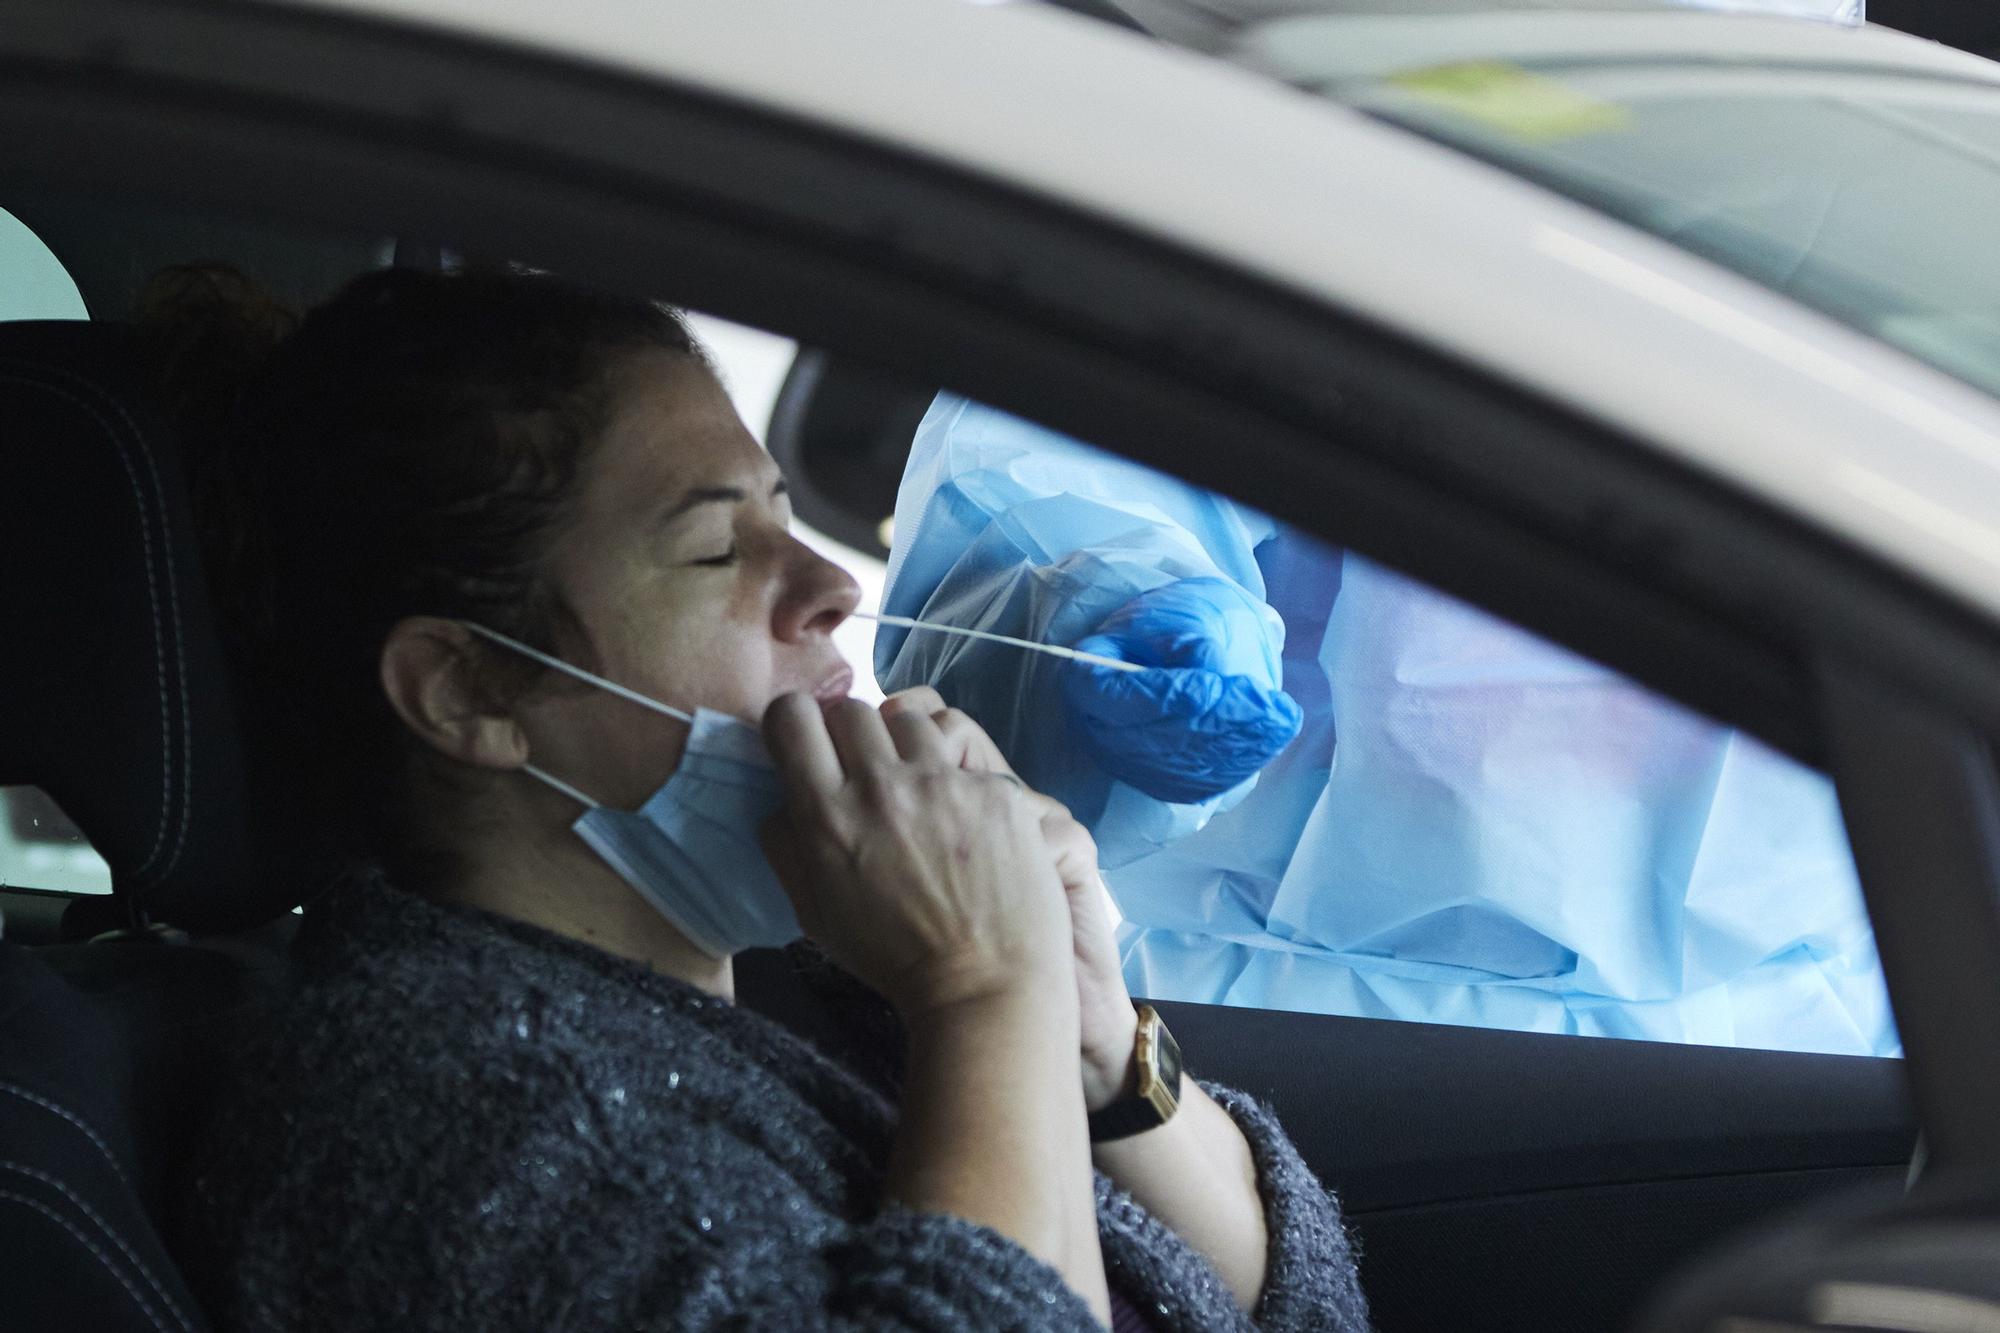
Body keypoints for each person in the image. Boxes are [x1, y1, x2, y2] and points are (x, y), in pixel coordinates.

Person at [148, 266, 1368, 1332]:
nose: (834, 584)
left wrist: (1090, 1036)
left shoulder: (829, 984)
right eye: (716, 552)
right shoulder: (424, 1122)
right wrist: (988, 997)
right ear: (465, 689)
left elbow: (1304, 1313)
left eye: (787, 518)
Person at [875, 396, 1897, 1056]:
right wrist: (1110, 610)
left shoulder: (1840, 196)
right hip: (1311, 1042)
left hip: (1818, 1043)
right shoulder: (1291, 165)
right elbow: (1048, 470)